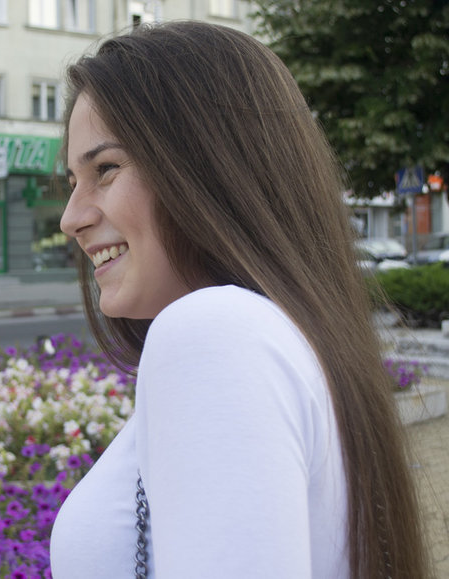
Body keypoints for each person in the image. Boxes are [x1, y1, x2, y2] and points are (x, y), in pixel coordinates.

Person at [49, 21, 429, 579]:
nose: (70, 218)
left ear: (207, 167)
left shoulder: (214, 331)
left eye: (105, 169)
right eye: (73, 182)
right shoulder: (284, 335)